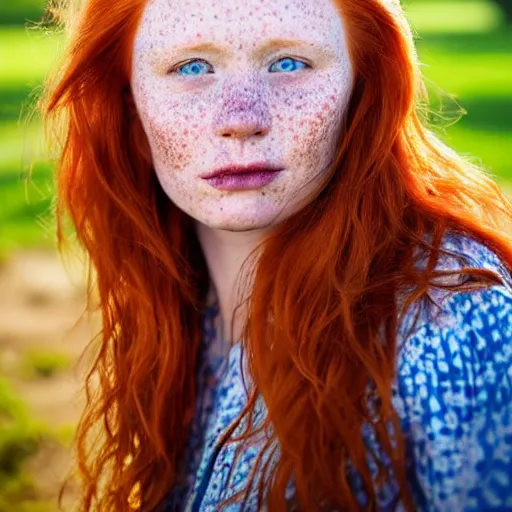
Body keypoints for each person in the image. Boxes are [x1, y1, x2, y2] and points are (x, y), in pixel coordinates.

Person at [41, 0, 512, 510]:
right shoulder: (181, 296)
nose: (241, 120)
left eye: (289, 63)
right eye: (191, 67)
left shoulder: (453, 322)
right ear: (129, 100)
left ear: (363, 85)